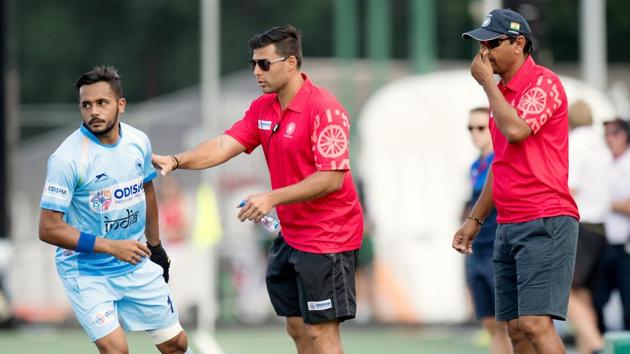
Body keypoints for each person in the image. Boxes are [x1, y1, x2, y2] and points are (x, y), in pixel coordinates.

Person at [152, 25, 363, 354]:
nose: (256, 71)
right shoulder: (264, 107)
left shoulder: (325, 108)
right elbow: (224, 144)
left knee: (321, 331)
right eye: (253, 64)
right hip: (291, 234)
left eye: (264, 64)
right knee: (296, 325)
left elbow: (331, 178)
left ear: (291, 63)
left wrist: (270, 198)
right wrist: (176, 161)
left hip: (328, 236)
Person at [38, 66, 193, 354]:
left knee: (176, 345)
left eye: (101, 103)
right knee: (116, 350)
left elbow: (146, 189)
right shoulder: (67, 158)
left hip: (133, 262)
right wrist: (110, 247)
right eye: (86, 105)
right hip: (86, 272)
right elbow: (48, 228)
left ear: (120, 105)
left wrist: (156, 247)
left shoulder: (138, 142)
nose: (93, 111)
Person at [453, 8, 580, 354]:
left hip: (544, 218)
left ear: (519, 43)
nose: (484, 52)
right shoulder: (503, 94)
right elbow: (501, 163)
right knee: (516, 330)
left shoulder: (543, 83)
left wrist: (487, 87)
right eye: (482, 44)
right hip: (509, 223)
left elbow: (517, 130)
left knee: (536, 326)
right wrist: (475, 219)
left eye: (492, 43)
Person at [463, 107, 513, 354]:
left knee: (510, 323)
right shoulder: (474, 166)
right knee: (490, 323)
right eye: (470, 128)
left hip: (497, 247)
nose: (475, 133)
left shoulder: (501, 161)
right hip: (478, 250)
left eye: (481, 127)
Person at [566, 100, 609, 354]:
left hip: (580, 225)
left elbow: (570, 186)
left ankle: (595, 345)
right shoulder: (601, 146)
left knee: (565, 291)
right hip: (600, 227)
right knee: (584, 295)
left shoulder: (575, 144)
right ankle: (588, 348)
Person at [593, 118, 630, 333]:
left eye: (614, 133)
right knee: (596, 302)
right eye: (606, 134)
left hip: (625, 247)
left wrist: (604, 202)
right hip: (604, 244)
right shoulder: (605, 163)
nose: (609, 139)